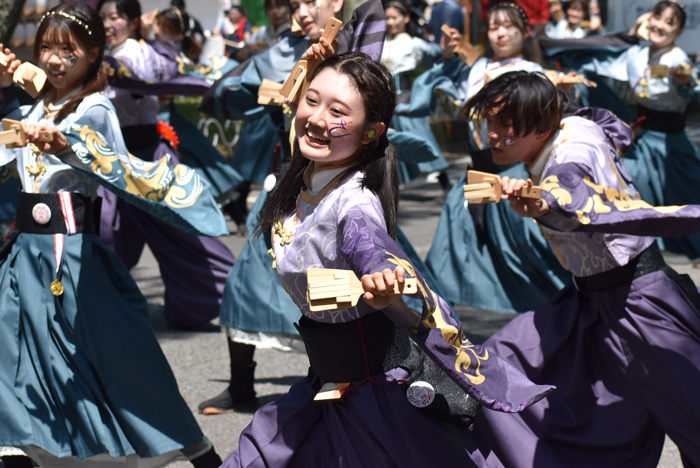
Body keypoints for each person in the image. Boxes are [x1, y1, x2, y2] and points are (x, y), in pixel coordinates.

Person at [221, 50, 553, 468]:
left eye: (337, 111)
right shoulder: (312, 165)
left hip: (376, 399)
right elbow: (307, 120)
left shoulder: (354, 202)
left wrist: (382, 276)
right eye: (311, 100)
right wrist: (312, 67)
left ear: (370, 133)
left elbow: (372, 248)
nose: (318, 118)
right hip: (325, 385)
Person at [0, 3, 225, 467]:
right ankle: (17, 446)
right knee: (9, 346)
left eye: (69, 50)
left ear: (94, 54)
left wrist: (67, 144)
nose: (54, 60)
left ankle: (195, 447)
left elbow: (114, 165)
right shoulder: (33, 106)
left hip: (72, 254)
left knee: (121, 356)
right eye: (46, 48)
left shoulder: (96, 108)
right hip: (24, 251)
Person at [467, 70, 700, 467]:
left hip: (641, 306)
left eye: (504, 124)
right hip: (585, 308)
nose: (492, 134)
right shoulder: (570, 124)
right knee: (494, 365)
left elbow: (567, 187)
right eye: (489, 121)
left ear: (541, 126)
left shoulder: (570, 153)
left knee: (692, 413)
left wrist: (542, 203)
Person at [399, 2, 571, 314]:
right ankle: (442, 322)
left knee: (526, 250)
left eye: (509, 27)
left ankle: (571, 307)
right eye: (494, 27)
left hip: (512, 174)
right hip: (475, 171)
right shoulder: (477, 68)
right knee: (448, 249)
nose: (500, 33)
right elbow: (443, 80)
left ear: (525, 31)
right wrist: (449, 54)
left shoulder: (535, 74)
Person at [97, 0, 237, 330]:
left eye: (115, 17)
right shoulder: (101, 57)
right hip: (113, 164)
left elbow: (155, 74)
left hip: (150, 162)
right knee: (106, 235)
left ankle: (219, 295)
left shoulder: (141, 53)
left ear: (132, 22)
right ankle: (99, 304)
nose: (108, 24)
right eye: (102, 17)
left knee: (184, 236)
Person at [570, 1, 700, 263]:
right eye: (656, 18)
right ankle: (638, 254)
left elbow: (692, 83)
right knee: (631, 189)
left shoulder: (677, 59)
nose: (660, 26)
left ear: (679, 30)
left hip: (670, 145)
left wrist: (685, 82)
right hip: (641, 140)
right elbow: (599, 56)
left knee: (687, 196)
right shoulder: (636, 54)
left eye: (669, 22)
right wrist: (630, 34)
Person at [382, 0, 449, 191]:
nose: (391, 22)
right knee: (388, 141)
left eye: (395, 17)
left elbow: (438, 57)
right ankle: (392, 188)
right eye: (387, 18)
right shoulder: (382, 42)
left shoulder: (414, 43)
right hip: (384, 97)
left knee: (419, 136)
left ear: (406, 18)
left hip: (405, 97)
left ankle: (445, 182)